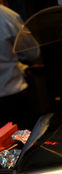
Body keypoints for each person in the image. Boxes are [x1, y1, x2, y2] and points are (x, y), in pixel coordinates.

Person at [0, 2, 40, 130]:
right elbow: (31, 53)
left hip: (11, 98)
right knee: (22, 144)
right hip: (11, 99)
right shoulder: (6, 16)